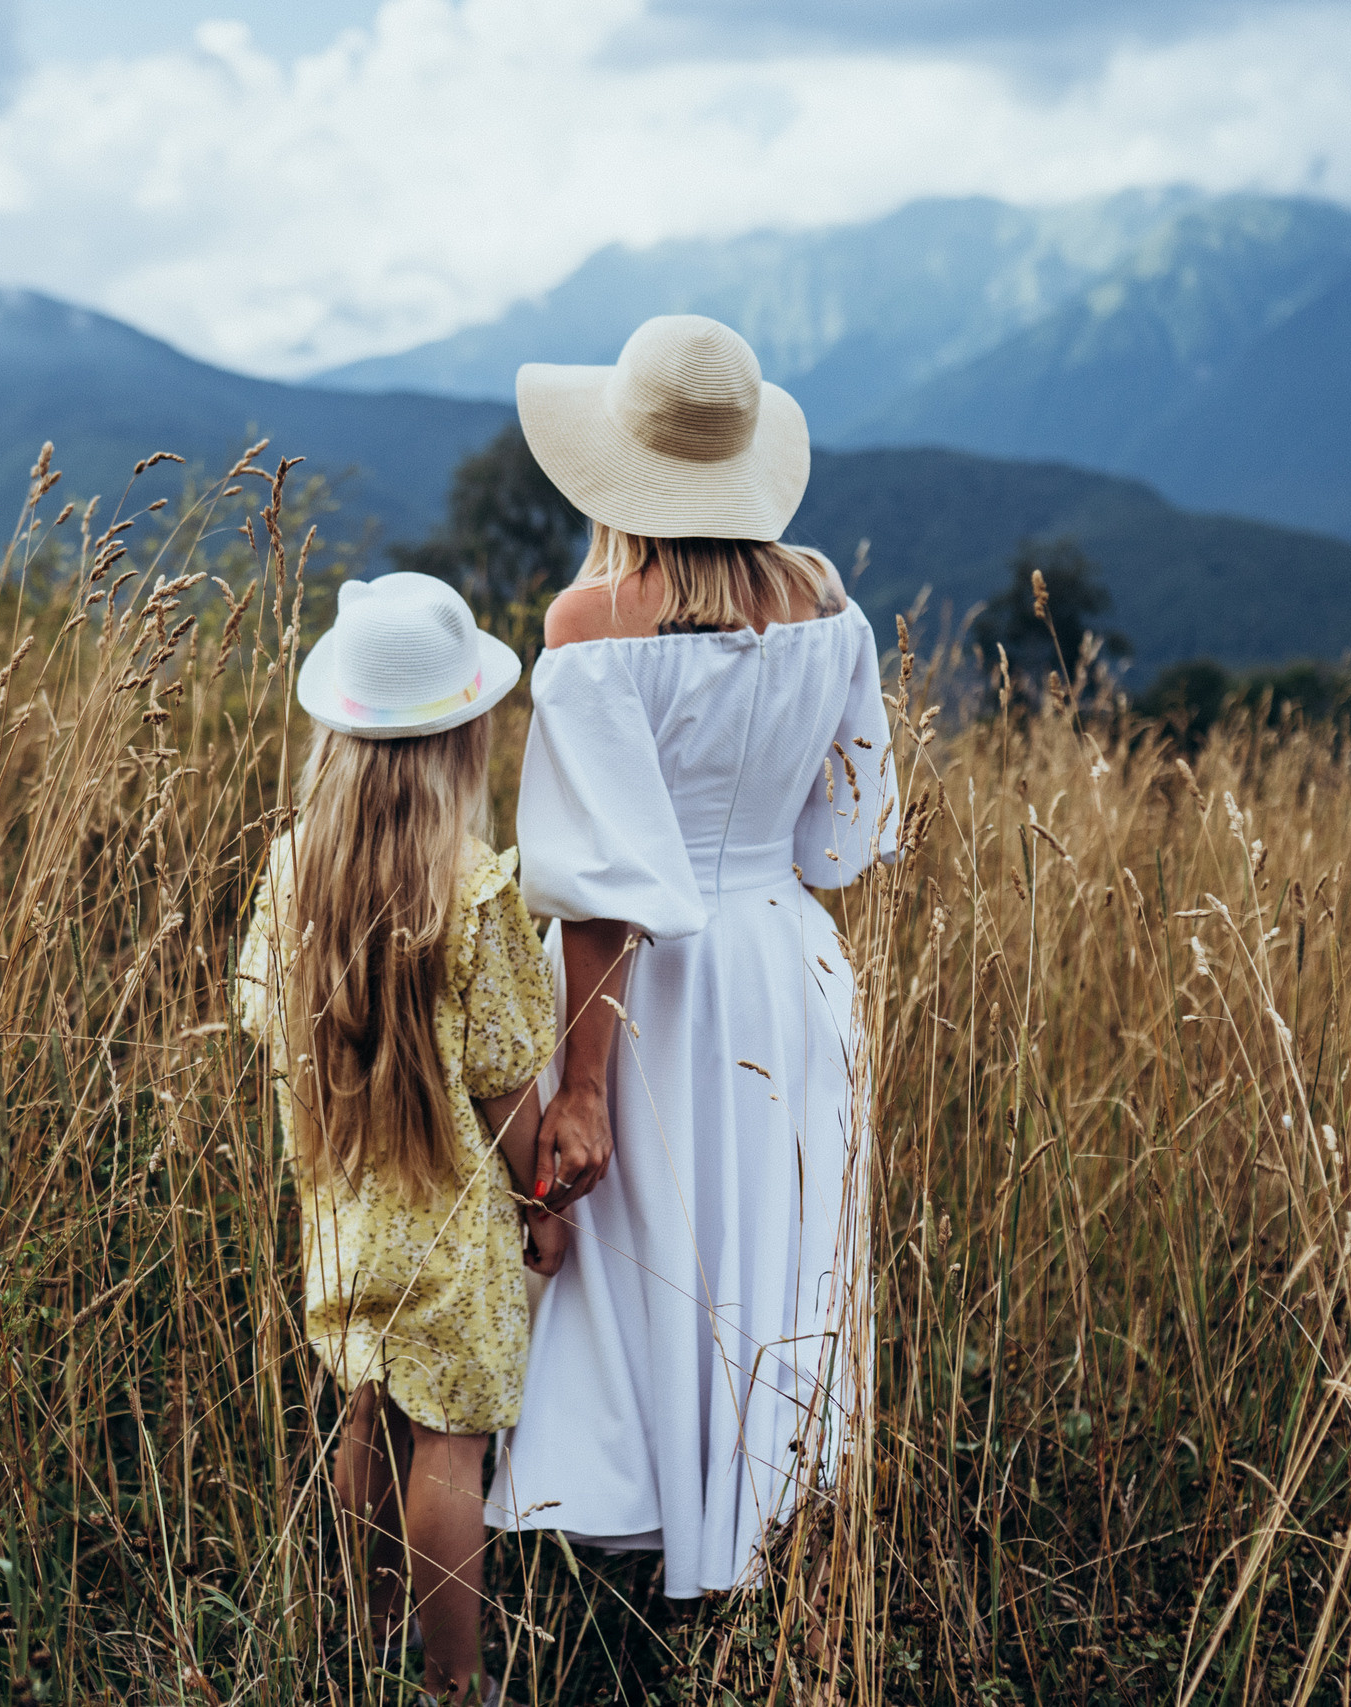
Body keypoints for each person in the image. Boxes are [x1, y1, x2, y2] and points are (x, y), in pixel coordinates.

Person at [486, 315, 896, 1599]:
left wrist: (582, 1084)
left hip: (647, 991)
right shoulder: (830, 604)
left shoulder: (591, 623)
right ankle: (762, 1539)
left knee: (647, 1256)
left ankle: (640, 1540)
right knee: (772, 1244)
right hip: (790, 967)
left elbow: (604, 894)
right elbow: (847, 841)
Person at [235, 572, 564, 1705]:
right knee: (450, 1447)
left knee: (364, 1410)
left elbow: (260, 1016)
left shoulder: (293, 869)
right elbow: (507, 1078)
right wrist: (541, 1199)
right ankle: (451, 1680)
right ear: (461, 740)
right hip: (448, 1226)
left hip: (339, 1200)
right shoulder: (472, 892)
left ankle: (369, 1615)